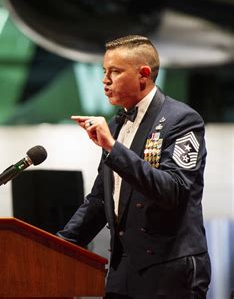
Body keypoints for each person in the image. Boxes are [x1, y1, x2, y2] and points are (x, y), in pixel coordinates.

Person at [57, 35, 211, 298]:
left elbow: (173, 191)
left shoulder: (182, 120)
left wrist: (113, 148)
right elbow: (100, 200)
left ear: (144, 74)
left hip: (169, 269)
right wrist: (57, 245)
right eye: (104, 71)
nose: (105, 80)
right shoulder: (116, 125)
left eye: (115, 72)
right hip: (123, 269)